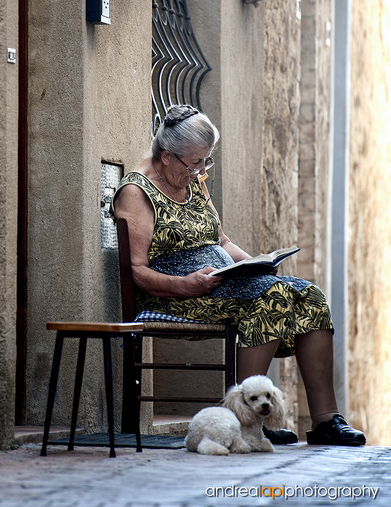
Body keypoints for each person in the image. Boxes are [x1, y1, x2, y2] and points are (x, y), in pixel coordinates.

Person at [113, 104, 365, 446]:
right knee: (272, 296)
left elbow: (222, 241)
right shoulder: (136, 192)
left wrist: (257, 263)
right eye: (195, 162)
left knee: (310, 296)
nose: (201, 170)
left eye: (206, 160)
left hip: (220, 282)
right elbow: (138, 271)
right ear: (167, 156)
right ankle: (251, 423)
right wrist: (187, 285)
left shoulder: (191, 180)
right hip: (175, 295)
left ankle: (325, 420)